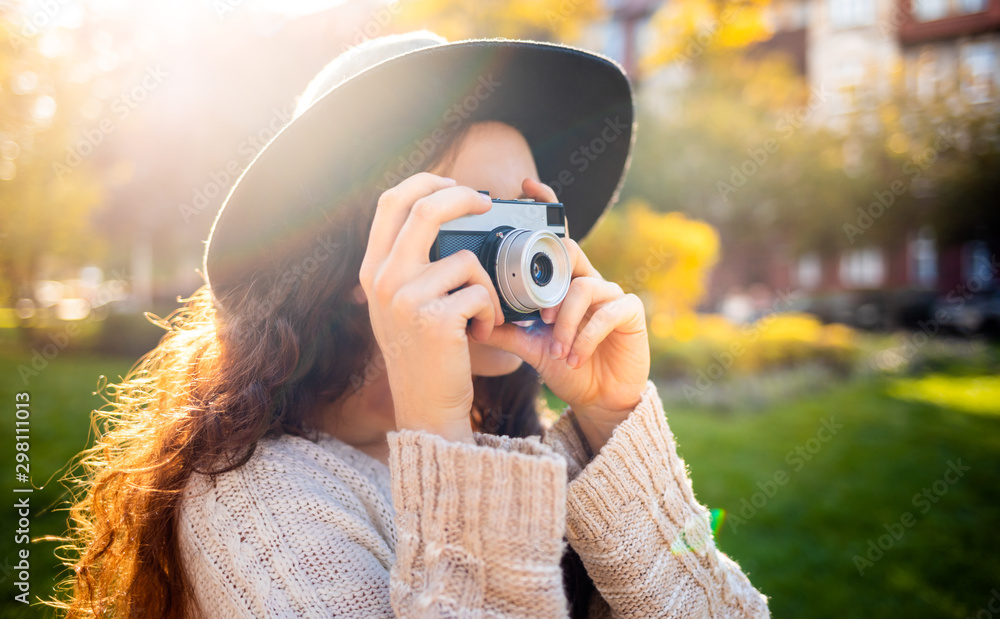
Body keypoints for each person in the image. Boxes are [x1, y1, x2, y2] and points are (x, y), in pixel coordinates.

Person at [58, 32, 770, 618]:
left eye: (528, 214)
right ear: (343, 266)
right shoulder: (257, 506)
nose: (528, 253)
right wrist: (437, 425)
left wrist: (615, 422)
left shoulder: (516, 454)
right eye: (472, 213)